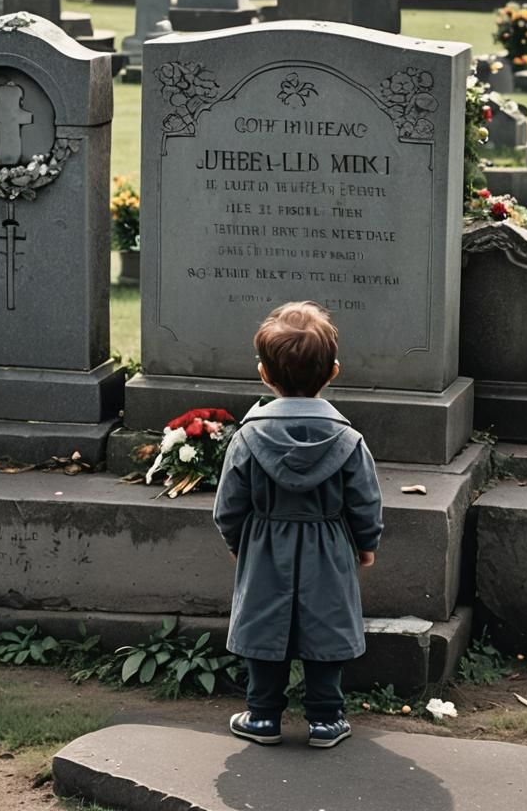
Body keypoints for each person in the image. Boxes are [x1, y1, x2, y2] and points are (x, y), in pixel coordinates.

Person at [213, 301, 383, 749]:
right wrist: (367, 543)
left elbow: (229, 502)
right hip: (328, 543)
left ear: (264, 375)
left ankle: (263, 715)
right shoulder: (348, 441)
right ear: (334, 371)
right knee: (325, 625)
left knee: (264, 624)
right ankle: (326, 719)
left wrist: (237, 541)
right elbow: (365, 499)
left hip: (266, 541)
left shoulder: (248, 438)